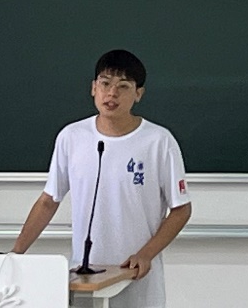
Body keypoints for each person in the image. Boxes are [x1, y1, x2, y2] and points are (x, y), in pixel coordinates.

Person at [12, 50, 192, 308]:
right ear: (93, 88)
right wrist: (15, 255)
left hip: (137, 278)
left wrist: (145, 254)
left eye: (123, 86)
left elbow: (181, 209)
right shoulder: (72, 137)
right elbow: (48, 201)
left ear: (138, 94)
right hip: (85, 280)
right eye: (105, 84)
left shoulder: (158, 141)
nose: (112, 93)